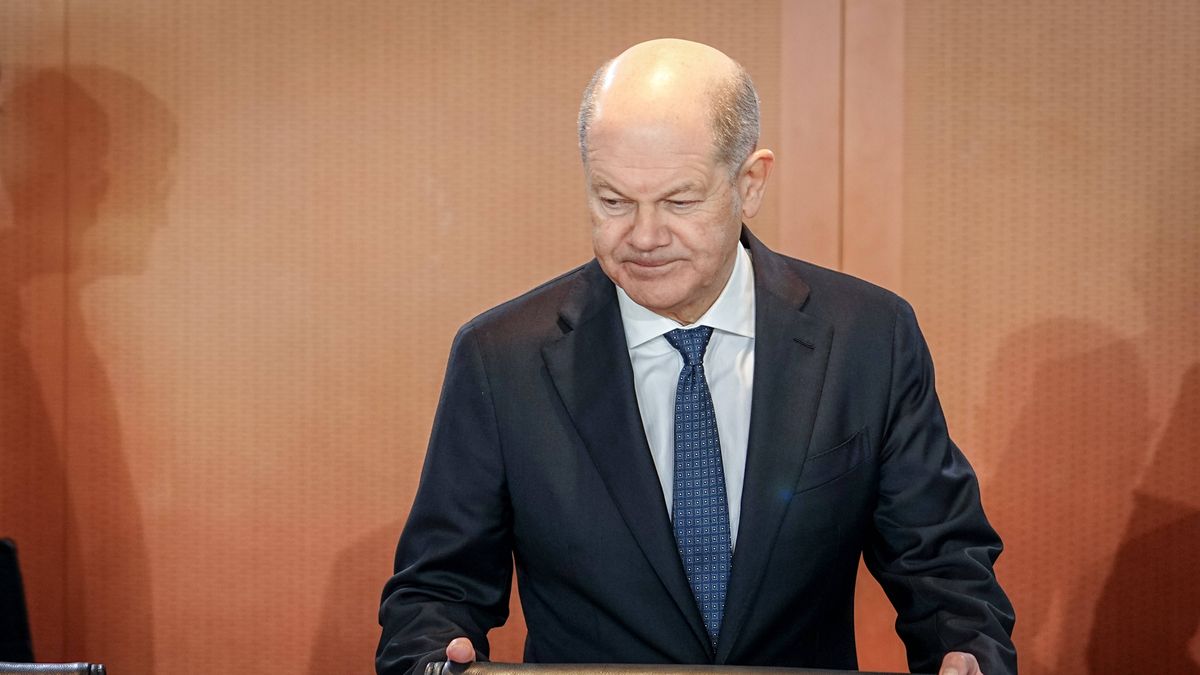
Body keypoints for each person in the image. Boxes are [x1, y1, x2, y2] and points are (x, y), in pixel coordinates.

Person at [377, 39, 1016, 675]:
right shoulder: (501, 360)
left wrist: (966, 651)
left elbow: (941, 563)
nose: (645, 236)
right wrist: (434, 658)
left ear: (750, 183)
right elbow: (436, 594)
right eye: (612, 200)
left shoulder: (868, 336)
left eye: (679, 201)